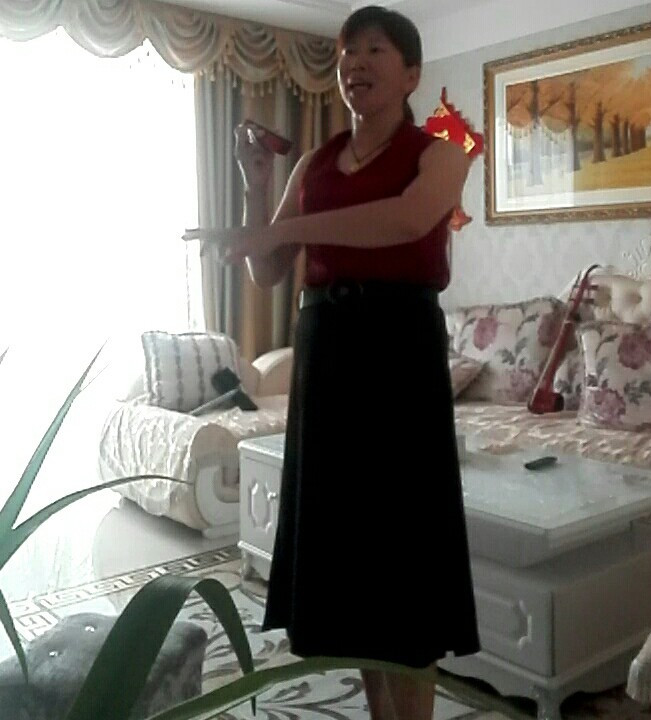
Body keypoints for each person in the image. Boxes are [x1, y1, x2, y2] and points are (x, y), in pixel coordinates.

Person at [186, 5, 480, 719]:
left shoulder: (442, 153)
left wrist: (286, 225)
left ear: (411, 74)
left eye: (374, 50)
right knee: (352, 565)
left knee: (404, 558)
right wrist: (259, 185)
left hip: (398, 349)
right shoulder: (314, 165)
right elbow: (267, 270)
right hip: (327, 350)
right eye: (347, 53)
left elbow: (406, 220)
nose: (354, 64)